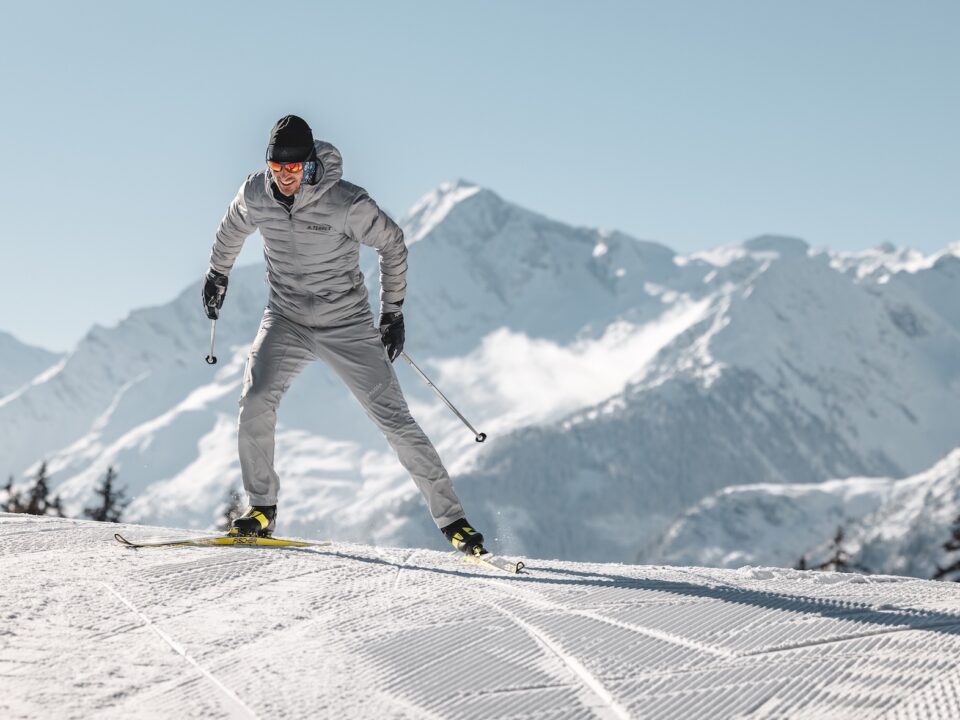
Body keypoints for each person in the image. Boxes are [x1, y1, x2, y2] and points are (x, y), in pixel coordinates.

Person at [203, 115, 483, 555]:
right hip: (286, 319)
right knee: (255, 401)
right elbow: (233, 227)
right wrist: (217, 274)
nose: (284, 178)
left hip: (346, 324)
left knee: (394, 420)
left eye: (293, 170)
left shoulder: (346, 202)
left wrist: (392, 314)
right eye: (277, 169)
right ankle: (262, 508)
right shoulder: (256, 193)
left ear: (310, 164)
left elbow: (392, 243)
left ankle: (454, 522)